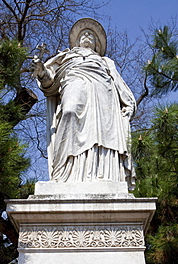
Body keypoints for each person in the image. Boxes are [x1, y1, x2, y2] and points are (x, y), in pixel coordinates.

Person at [32, 18, 136, 190]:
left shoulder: (106, 62)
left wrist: (128, 104)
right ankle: (64, 172)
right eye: (84, 34)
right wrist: (42, 72)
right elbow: (50, 83)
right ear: (77, 42)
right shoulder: (66, 58)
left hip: (103, 96)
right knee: (69, 113)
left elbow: (119, 85)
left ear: (96, 45)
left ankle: (101, 173)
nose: (87, 35)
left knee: (102, 133)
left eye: (91, 35)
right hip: (74, 85)